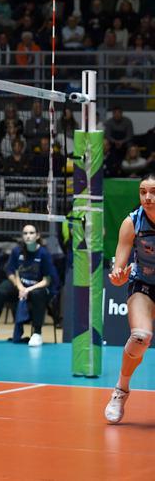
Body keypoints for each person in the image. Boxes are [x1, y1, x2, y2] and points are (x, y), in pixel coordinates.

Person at [105, 174, 155, 424]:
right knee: (141, 337)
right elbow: (119, 267)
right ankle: (121, 390)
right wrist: (118, 276)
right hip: (143, 284)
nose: (147, 197)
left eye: (153, 192)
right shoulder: (132, 222)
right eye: (142, 192)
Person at [0, 225, 54, 347]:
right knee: (1, 291)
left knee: (38, 294)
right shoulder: (17, 251)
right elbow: (11, 272)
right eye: (25, 233)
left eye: (31, 233)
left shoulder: (43, 253)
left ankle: (37, 334)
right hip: (20, 287)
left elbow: (47, 280)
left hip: (36, 288)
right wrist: (20, 287)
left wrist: (28, 289)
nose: (28, 236)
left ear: (37, 235)